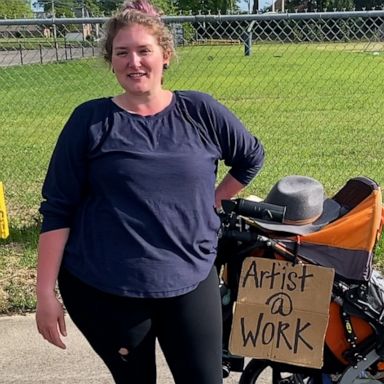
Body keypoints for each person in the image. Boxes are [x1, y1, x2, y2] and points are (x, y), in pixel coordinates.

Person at [35, 1, 265, 383]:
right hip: (108, 285)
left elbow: (250, 157)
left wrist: (216, 196)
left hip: (189, 273)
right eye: (122, 53)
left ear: (165, 56)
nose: (134, 62)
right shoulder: (90, 121)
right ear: (110, 61)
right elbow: (58, 209)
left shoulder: (199, 111)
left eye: (144, 51)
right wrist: (45, 294)